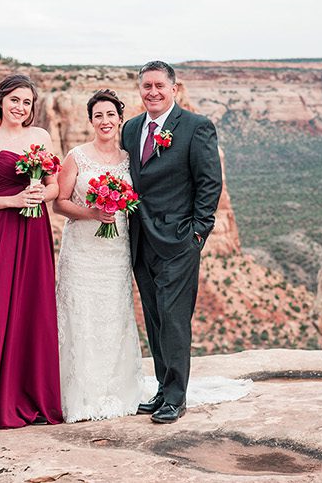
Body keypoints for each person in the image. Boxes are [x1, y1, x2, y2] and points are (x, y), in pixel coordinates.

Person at [120, 60, 222, 424]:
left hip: (179, 239)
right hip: (139, 239)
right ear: (140, 90)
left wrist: (197, 233)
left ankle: (176, 397)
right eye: (146, 86)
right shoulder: (131, 129)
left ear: (173, 89)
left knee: (174, 318)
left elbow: (209, 183)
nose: (153, 92)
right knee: (153, 316)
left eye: (159, 85)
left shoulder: (196, 128)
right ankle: (163, 388)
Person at [0, 73, 64, 430]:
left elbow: (55, 187)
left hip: (35, 231)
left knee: (33, 307)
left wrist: (39, 195)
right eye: (15, 100)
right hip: (0, 232)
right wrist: (14, 200)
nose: (20, 108)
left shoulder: (41, 137)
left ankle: (33, 396)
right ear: (1, 100)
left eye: (27, 103)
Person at [52, 89, 148, 422]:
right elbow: (59, 203)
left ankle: (116, 389)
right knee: (81, 316)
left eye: (110, 115)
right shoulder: (76, 156)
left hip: (116, 251)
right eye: (98, 116)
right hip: (81, 252)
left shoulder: (128, 159)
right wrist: (92, 213)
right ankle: (78, 395)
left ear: (120, 118)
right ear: (90, 121)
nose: (105, 121)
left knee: (113, 315)